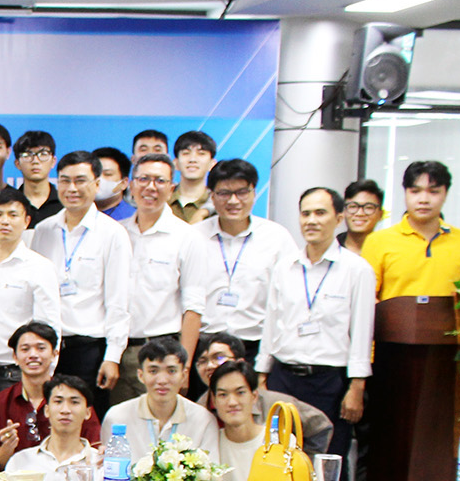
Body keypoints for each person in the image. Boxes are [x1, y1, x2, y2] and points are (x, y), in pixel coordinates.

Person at [259, 187, 374, 457]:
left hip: (329, 382)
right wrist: (262, 376)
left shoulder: (357, 269)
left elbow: (362, 333)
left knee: (326, 460)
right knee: (278, 458)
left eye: (320, 213)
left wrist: (357, 387)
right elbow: (271, 324)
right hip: (283, 378)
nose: (311, 220)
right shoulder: (284, 267)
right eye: (305, 214)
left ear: (339, 218)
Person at [31, 150, 131, 413]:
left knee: (85, 422)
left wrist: (112, 356)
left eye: (80, 180)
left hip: (89, 350)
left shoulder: (113, 234)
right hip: (47, 350)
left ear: (97, 184)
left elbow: (119, 301)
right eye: (65, 181)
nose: (72, 188)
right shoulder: (43, 230)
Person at [177, 158, 293, 370]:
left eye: (241, 192)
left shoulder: (277, 238)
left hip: (254, 348)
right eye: (224, 193)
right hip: (203, 346)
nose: (233, 200)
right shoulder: (194, 237)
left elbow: (288, 299)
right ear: (212, 196)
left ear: (254, 193)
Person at [0, 188, 61, 413]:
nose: (5, 221)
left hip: (17, 374)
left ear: (26, 221)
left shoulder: (40, 267)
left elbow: (49, 326)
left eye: (13, 215)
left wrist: (45, 375)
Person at [114, 153, 192, 404]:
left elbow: (193, 307)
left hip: (163, 353)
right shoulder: (117, 232)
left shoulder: (186, 236)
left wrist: (184, 366)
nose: (150, 187)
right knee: (118, 422)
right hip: (116, 351)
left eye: (159, 181)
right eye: (143, 179)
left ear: (171, 188)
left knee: (160, 425)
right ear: (131, 184)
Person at [360, 160, 460, 301]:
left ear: (445, 194)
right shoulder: (377, 241)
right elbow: (366, 297)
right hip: (394, 316)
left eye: (434, 192)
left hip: (448, 317)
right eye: (415, 192)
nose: (423, 200)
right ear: (405, 193)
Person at [193, 331, 334, 454]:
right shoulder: (198, 409)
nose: (210, 366)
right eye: (202, 361)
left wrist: (303, 465)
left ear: (240, 362)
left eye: (218, 357)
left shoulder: (274, 404)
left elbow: (319, 426)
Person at [103, 339, 217, 481]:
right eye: (153, 371)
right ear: (140, 375)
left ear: (184, 375)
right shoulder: (117, 417)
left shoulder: (203, 419)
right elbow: (108, 478)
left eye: (171, 371)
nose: (162, 380)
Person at [0, 321, 102, 470]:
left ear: (54, 354)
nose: (33, 355)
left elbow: (95, 453)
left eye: (41, 348)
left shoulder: (75, 400)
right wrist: (7, 448)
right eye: (25, 349)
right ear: (15, 357)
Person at [3, 374, 102, 481]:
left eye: (74, 402)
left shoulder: (101, 464)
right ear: (47, 410)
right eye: (58, 401)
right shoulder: (20, 461)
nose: (65, 410)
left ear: (88, 412)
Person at [208, 360, 264, 481]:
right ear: (214, 401)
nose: (232, 402)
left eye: (240, 393)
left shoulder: (276, 441)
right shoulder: (210, 443)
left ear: (254, 396)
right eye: (223, 395)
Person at [12, 130, 63, 226]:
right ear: (17, 163)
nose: (35, 161)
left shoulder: (64, 204)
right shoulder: (9, 204)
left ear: (53, 161)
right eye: (27, 155)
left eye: (43, 154)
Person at [168, 130, 216, 224]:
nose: (193, 160)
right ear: (175, 163)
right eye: (186, 153)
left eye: (201, 153)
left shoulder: (218, 204)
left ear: (212, 164)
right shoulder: (162, 199)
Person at [340, 179, 384, 255]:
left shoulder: (387, 250)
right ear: (343, 211)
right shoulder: (328, 248)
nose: (360, 213)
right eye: (353, 206)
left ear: (380, 215)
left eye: (368, 207)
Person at [94, 147, 135, 223]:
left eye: (107, 174)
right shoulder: (74, 213)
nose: (98, 179)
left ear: (124, 183)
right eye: (95, 173)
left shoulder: (133, 218)